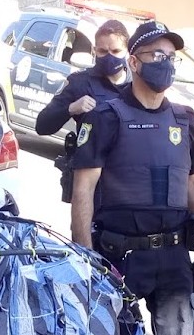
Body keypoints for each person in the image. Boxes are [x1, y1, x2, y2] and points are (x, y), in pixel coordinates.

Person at [70, 20, 194, 335]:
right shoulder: (106, 116)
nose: (165, 64)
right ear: (133, 62)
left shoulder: (184, 119)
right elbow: (84, 189)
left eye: (171, 57)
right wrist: (84, 255)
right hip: (119, 252)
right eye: (156, 56)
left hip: (173, 251)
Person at [37, 20, 131, 204]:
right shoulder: (79, 83)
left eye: (116, 51)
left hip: (130, 181)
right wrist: (72, 108)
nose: (109, 56)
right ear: (94, 51)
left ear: (127, 51)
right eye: (103, 51)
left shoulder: (139, 85)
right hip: (92, 184)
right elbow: (42, 125)